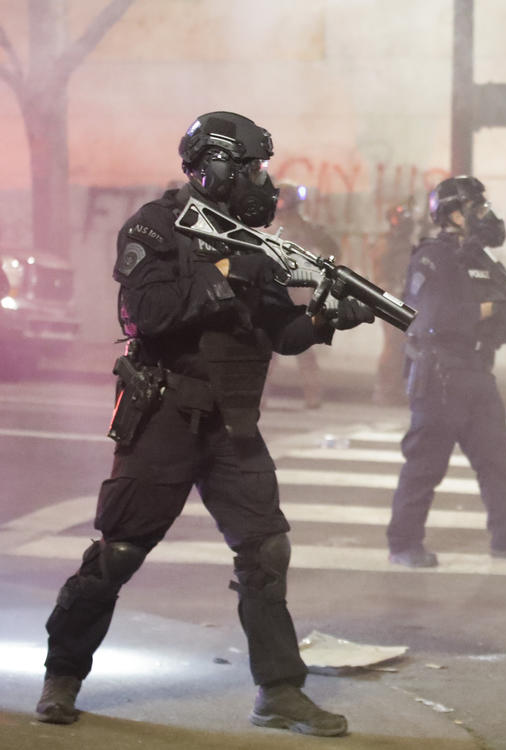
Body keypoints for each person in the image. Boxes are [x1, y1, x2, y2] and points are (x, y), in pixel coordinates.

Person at [35, 111, 374, 736]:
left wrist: (326, 317)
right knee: (120, 552)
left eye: (260, 169)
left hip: (233, 423)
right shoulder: (157, 225)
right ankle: (62, 676)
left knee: (266, 550)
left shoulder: (254, 240)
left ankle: (279, 692)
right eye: (247, 167)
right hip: (166, 412)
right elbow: (146, 314)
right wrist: (225, 276)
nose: (259, 181)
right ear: (211, 167)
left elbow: (281, 335)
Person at [386, 175, 506, 567]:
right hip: (440, 375)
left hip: (476, 371)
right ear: (454, 214)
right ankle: (403, 544)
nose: (484, 215)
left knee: (498, 462)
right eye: (475, 208)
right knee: (425, 466)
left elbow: (500, 317)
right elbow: (434, 317)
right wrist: (494, 308)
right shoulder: (432, 257)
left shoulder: (480, 261)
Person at [271, 181, 341, 409]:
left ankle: (312, 396)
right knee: (275, 350)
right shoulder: (275, 227)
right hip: (283, 293)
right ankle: (311, 396)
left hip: (291, 293)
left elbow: (332, 251)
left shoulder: (300, 229)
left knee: (294, 349)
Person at [371, 199, 416, 406]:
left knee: (401, 346)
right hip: (391, 298)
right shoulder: (387, 243)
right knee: (393, 345)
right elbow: (381, 273)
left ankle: (395, 387)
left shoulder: (405, 243)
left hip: (403, 297)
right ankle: (385, 389)